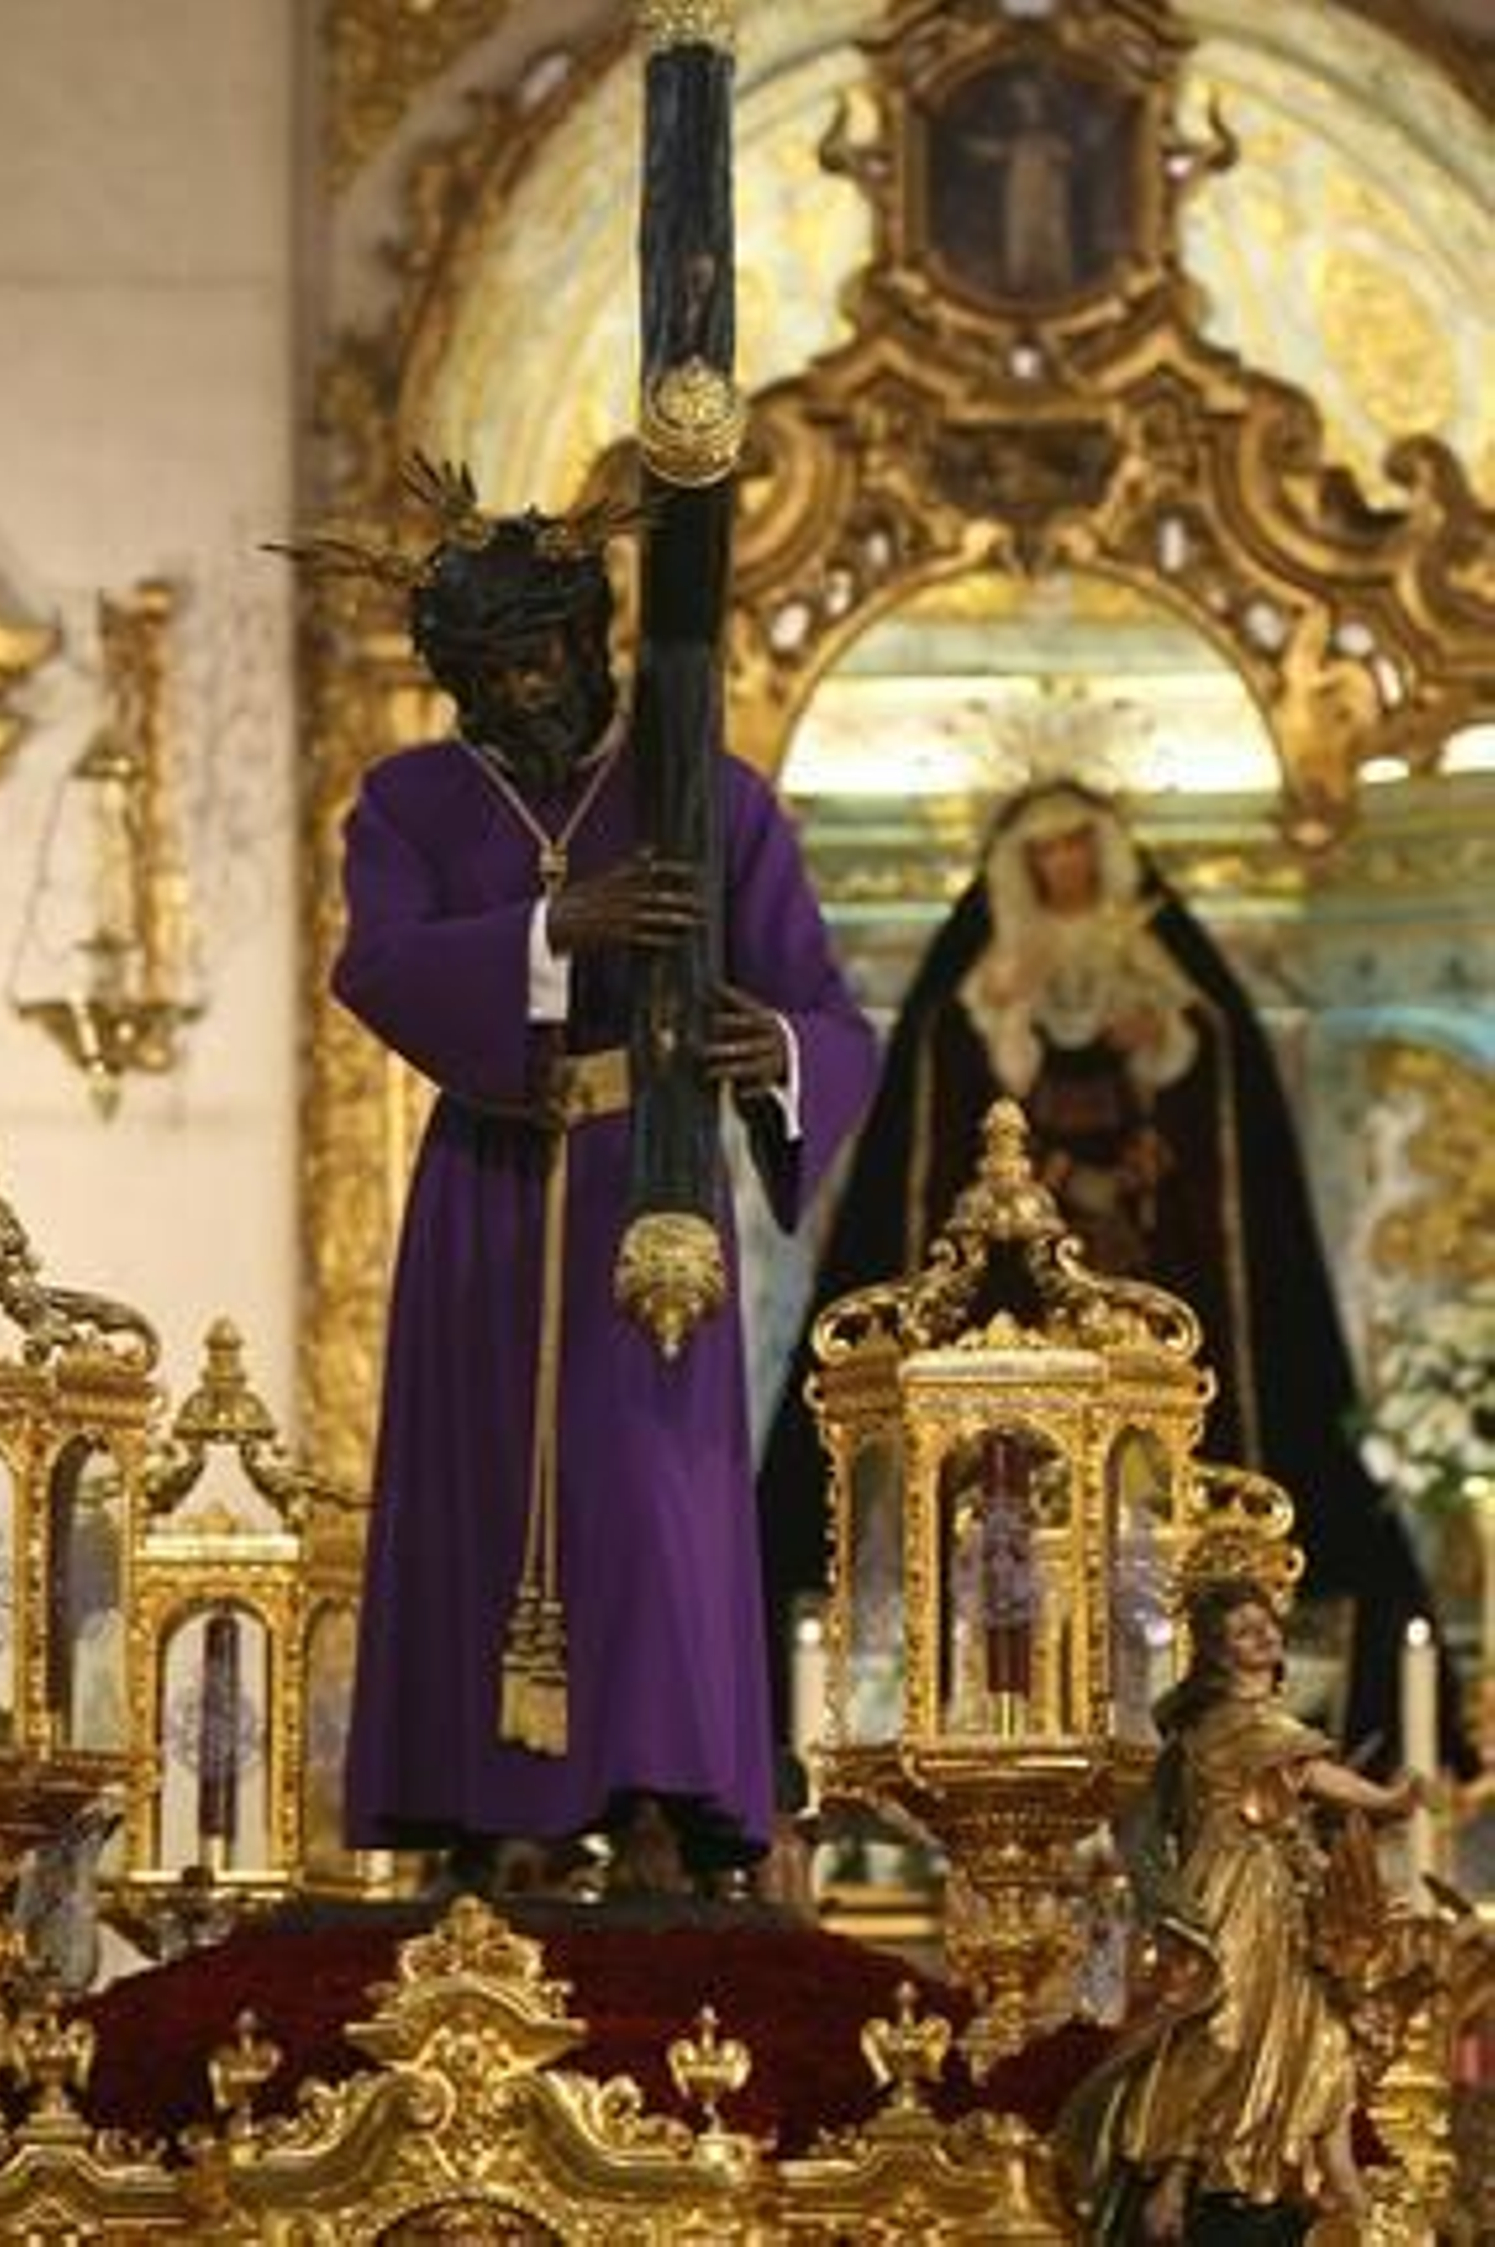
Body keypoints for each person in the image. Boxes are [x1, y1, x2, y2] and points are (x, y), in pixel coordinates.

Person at [328, 474, 878, 1893]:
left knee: (649, 1488)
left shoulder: (708, 796)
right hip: (490, 1186)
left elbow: (829, 1012)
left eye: (546, 656)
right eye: (491, 673)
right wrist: (550, 928)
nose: (525, 692)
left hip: (653, 1188)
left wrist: (778, 1051)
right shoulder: (412, 799)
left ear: (595, 638)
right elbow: (379, 966)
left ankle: (656, 1797)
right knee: (482, 1474)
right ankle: (490, 1807)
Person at [759, 779, 1461, 1770]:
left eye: (1078, 851)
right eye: (1044, 856)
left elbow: (1210, 1111)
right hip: (1006, 1303)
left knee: (1151, 1493)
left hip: (1140, 1280)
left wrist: (1158, 1068)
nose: (1064, 871)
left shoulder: (1167, 989)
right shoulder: (978, 998)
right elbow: (945, 1133)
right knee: (1002, 1499)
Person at [1055, 1575, 1424, 2238]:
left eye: (1266, 1623)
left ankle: (1328, 2181)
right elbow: (1310, 1773)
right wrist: (1386, 1802)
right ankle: (1176, 2173)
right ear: (1219, 1654)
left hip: (1277, 1897)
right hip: (1230, 1895)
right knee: (1221, 2028)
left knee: (1308, 2026)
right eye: (1244, 1631)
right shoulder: (1235, 1723)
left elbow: (1298, 1789)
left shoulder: (1257, 1720)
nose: (1265, 1636)